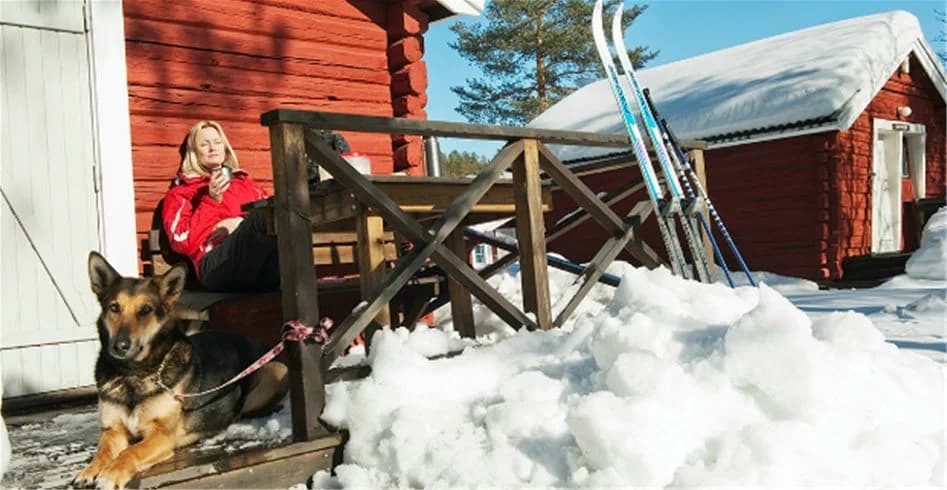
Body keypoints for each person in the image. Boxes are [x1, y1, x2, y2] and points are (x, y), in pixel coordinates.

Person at [161, 120, 280, 292]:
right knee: (262, 218)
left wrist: (239, 224)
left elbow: (270, 216)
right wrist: (211, 201)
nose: (212, 148)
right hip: (215, 266)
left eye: (217, 142)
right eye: (204, 144)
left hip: (258, 265)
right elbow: (182, 242)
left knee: (283, 215)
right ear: (194, 152)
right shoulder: (182, 193)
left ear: (225, 148)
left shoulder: (245, 185)